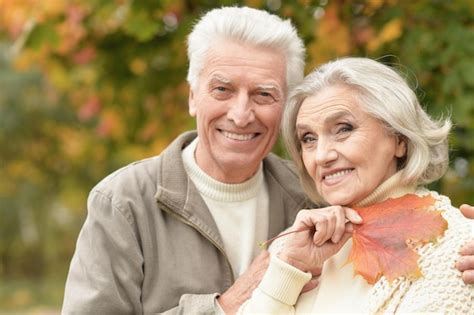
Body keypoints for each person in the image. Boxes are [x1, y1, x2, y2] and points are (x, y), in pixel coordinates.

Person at [62, 6, 474, 314]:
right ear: (192, 96)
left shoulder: (316, 197)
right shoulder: (123, 202)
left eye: (264, 94)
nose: (241, 114)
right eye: (222, 89)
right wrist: (224, 305)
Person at [238, 57, 474, 314]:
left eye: (343, 129)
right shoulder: (288, 250)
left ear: (399, 139)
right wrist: (285, 276)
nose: (321, 156)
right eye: (308, 138)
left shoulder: (458, 245)